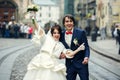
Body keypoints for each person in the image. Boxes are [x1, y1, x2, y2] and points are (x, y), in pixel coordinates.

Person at [60, 14, 90, 80]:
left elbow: (86, 47)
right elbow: (59, 47)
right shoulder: (61, 35)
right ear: (64, 23)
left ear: (73, 23)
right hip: (69, 65)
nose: (69, 23)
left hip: (81, 64)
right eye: (67, 21)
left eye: (71, 21)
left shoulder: (81, 32)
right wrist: (61, 54)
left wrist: (86, 57)